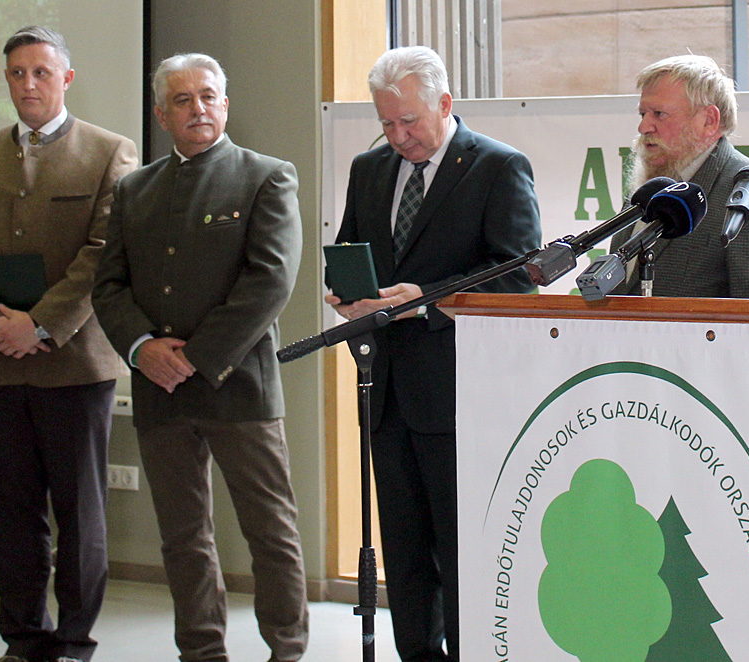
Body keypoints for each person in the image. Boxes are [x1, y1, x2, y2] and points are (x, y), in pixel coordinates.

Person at [327, 46, 541, 661]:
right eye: (386, 123)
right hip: (385, 390)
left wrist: (426, 300)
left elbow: (518, 276)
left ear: (445, 104)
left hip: (459, 393)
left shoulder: (498, 167)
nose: (399, 137)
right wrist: (346, 293)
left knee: (461, 548)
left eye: (409, 121)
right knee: (404, 554)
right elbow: (350, 247)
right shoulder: (369, 168)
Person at [91, 53, 307, 662]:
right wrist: (143, 349)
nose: (198, 109)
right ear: (162, 114)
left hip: (239, 386)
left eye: (209, 96)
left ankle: (287, 650)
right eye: (182, 100)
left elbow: (270, 282)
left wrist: (195, 358)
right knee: (183, 537)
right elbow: (108, 286)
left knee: (270, 531)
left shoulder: (266, 176)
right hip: (159, 388)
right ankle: (201, 650)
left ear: (226, 104)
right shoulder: (133, 189)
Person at [0, 26, 137, 662]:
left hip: (73, 364)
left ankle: (74, 641)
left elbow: (104, 252)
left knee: (80, 515)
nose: (28, 85)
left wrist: (41, 324)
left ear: (66, 78)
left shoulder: (109, 151)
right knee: (13, 512)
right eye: (17, 73)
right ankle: (23, 639)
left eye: (41, 73)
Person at [611, 54, 749, 299]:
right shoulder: (646, 193)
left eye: (659, 114)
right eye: (643, 114)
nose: (644, 127)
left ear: (709, 121)